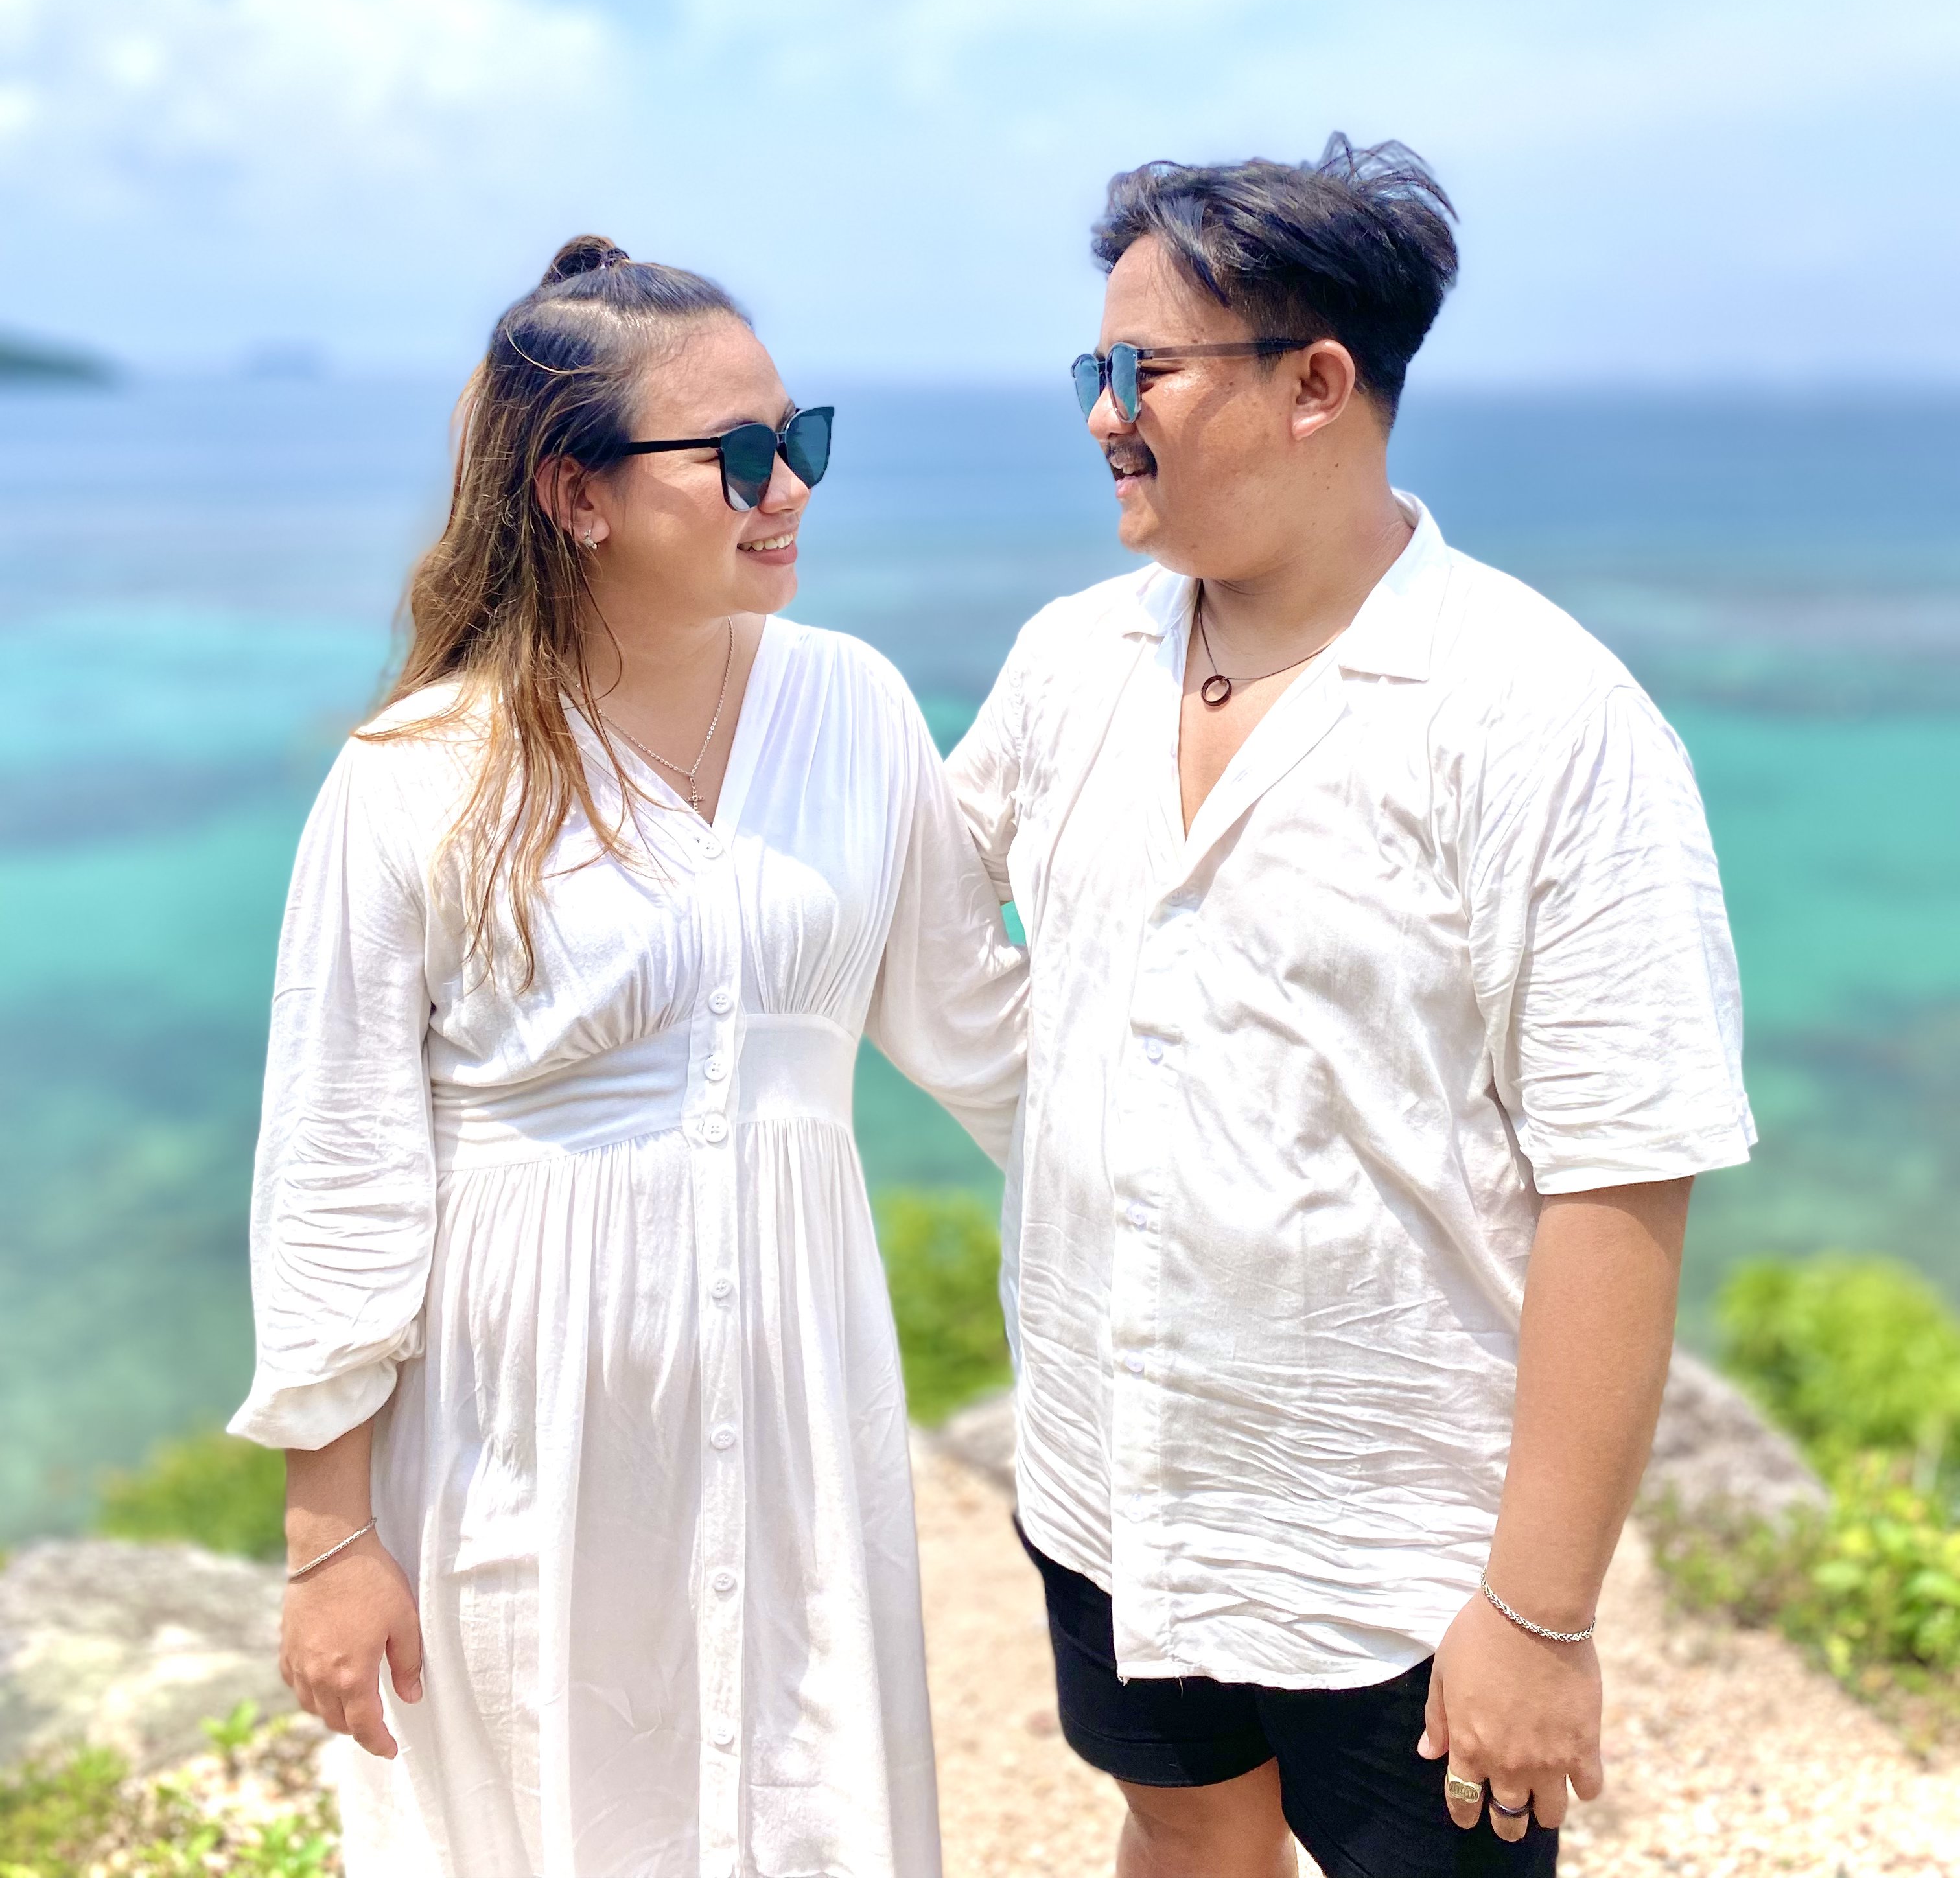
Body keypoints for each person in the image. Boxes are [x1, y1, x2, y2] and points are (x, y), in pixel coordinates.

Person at [948, 142, 1755, 1878]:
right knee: (1182, 1827)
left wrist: (1538, 1616)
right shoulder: (1072, 663)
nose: (1102, 414)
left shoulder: (1545, 719)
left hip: (1398, 1540)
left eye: (1143, 370)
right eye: (1094, 367)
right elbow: (920, 920)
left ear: (1318, 383)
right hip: (1113, 1468)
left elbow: (1622, 1171)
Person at [229, 237, 1025, 1878]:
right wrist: (327, 1540)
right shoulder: (415, 773)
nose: (787, 488)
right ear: (575, 494)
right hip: (514, 1445)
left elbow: (988, 1036)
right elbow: (337, 1166)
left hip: (797, 1423)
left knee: (805, 1816)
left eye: (800, 439)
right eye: (737, 455)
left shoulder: (857, 708)